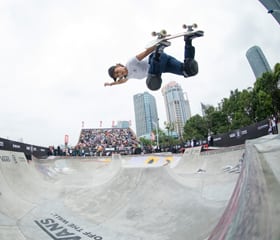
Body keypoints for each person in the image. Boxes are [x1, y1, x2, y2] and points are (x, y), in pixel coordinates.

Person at [104, 30, 203, 91]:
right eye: (118, 76)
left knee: (152, 81)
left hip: (155, 59)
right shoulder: (128, 76)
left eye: (117, 71)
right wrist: (111, 84)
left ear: (118, 65)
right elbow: (121, 82)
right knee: (188, 70)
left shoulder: (130, 63)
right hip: (164, 64)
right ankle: (188, 40)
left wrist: (157, 45)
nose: (120, 74)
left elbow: (145, 53)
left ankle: (159, 51)